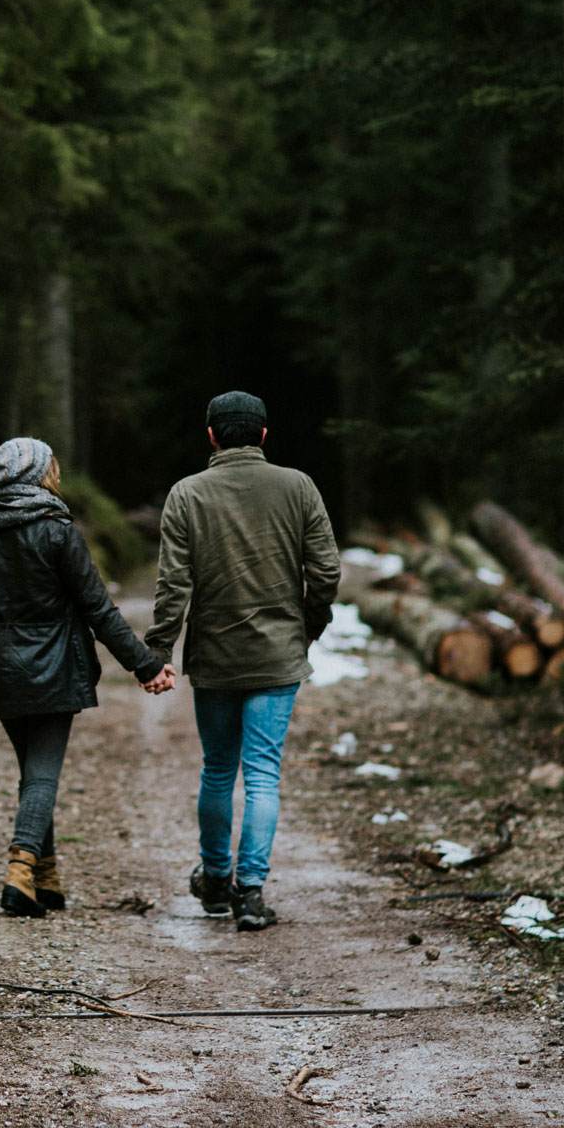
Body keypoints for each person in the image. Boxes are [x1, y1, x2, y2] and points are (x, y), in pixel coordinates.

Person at [0, 436, 171, 918]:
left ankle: (47, 878)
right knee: (42, 776)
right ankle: (19, 873)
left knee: (33, 775)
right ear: (39, 474)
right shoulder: (58, 530)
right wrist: (145, 664)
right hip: (53, 670)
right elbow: (97, 609)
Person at [145, 391, 339, 932]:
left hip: (216, 656)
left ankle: (214, 882)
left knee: (217, 769)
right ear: (263, 435)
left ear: (211, 435)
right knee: (263, 776)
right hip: (277, 656)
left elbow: (172, 585)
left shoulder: (186, 495)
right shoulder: (298, 487)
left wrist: (159, 649)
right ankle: (250, 895)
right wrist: (307, 626)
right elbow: (325, 572)